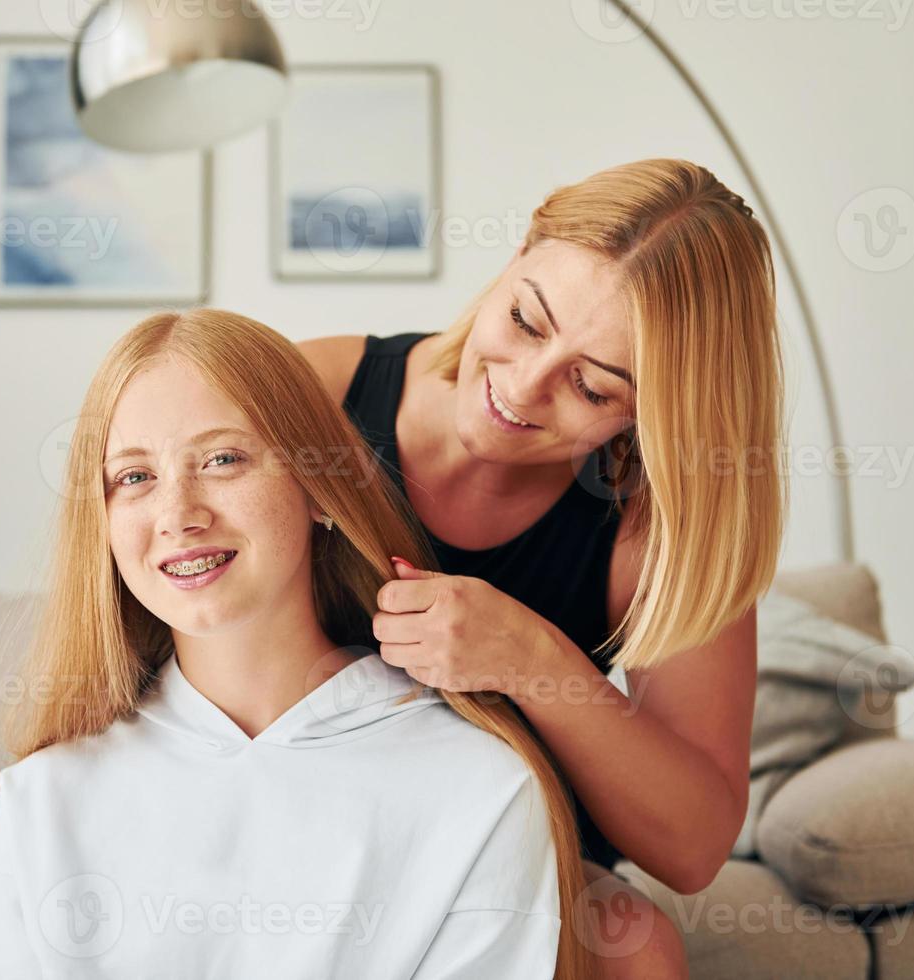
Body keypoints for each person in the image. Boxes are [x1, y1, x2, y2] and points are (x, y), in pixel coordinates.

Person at [0, 309, 598, 979]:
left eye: (223, 459)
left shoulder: (480, 790)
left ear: (320, 488)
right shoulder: (44, 799)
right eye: (135, 478)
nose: (179, 515)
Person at [299, 158, 786, 978]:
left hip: (509, 855)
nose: (521, 389)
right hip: (307, 816)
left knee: (636, 947)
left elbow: (696, 846)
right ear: (521, 249)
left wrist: (530, 658)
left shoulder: (651, 524)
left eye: (592, 389)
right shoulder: (315, 396)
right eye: (526, 320)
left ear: (656, 412)